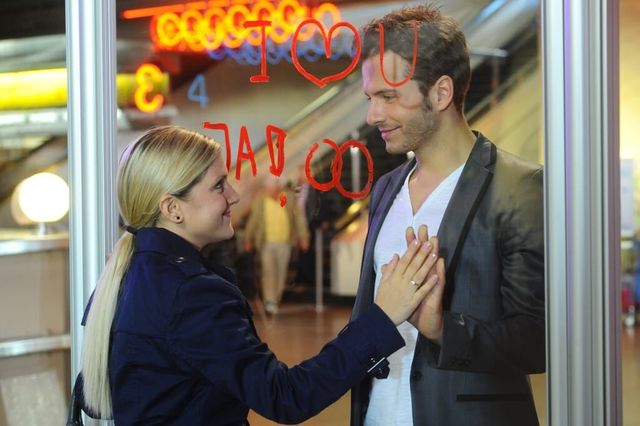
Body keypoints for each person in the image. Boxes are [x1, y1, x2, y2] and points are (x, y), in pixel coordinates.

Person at [77, 125, 441, 425]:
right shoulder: (191, 294)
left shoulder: (128, 274)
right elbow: (286, 397)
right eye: (218, 186)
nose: (234, 196)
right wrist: (382, 317)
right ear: (173, 209)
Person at [350, 5, 545, 426]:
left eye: (388, 96)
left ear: (440, 93)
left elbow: (538, 340)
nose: (372, 115)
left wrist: (442, 328)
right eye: (370, 98)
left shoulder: (519, 186)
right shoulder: (386, 188)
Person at [243, 174, 309, 314]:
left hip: (285, 242)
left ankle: (276, 299)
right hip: (267, 243)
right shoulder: (260, 201)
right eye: (268, 188)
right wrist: (248, 239)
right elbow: (253, 221)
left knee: (281, 273)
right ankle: (269, 301)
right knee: (268, 272)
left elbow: (298, 218)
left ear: (278, 187)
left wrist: (303, 236)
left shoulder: (288, 199)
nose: (270, 191)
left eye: (272, 188)